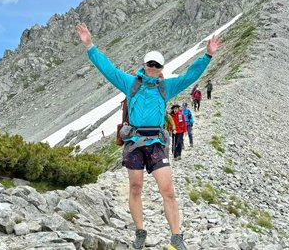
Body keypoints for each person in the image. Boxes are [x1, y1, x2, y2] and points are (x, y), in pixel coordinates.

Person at [75, 23, 221, 250]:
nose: (153, 67)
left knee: (168, 191)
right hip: (133, 143)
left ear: (161, 67)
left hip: (156, 145)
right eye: (150, 63)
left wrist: (208, 55)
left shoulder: (167, 87)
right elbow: (107, 68)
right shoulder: (130, 83)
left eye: (157, 64)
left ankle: (176, 238)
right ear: (144, 65)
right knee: (135, 188)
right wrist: (90, 46)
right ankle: (140, 232)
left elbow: (191, 75)